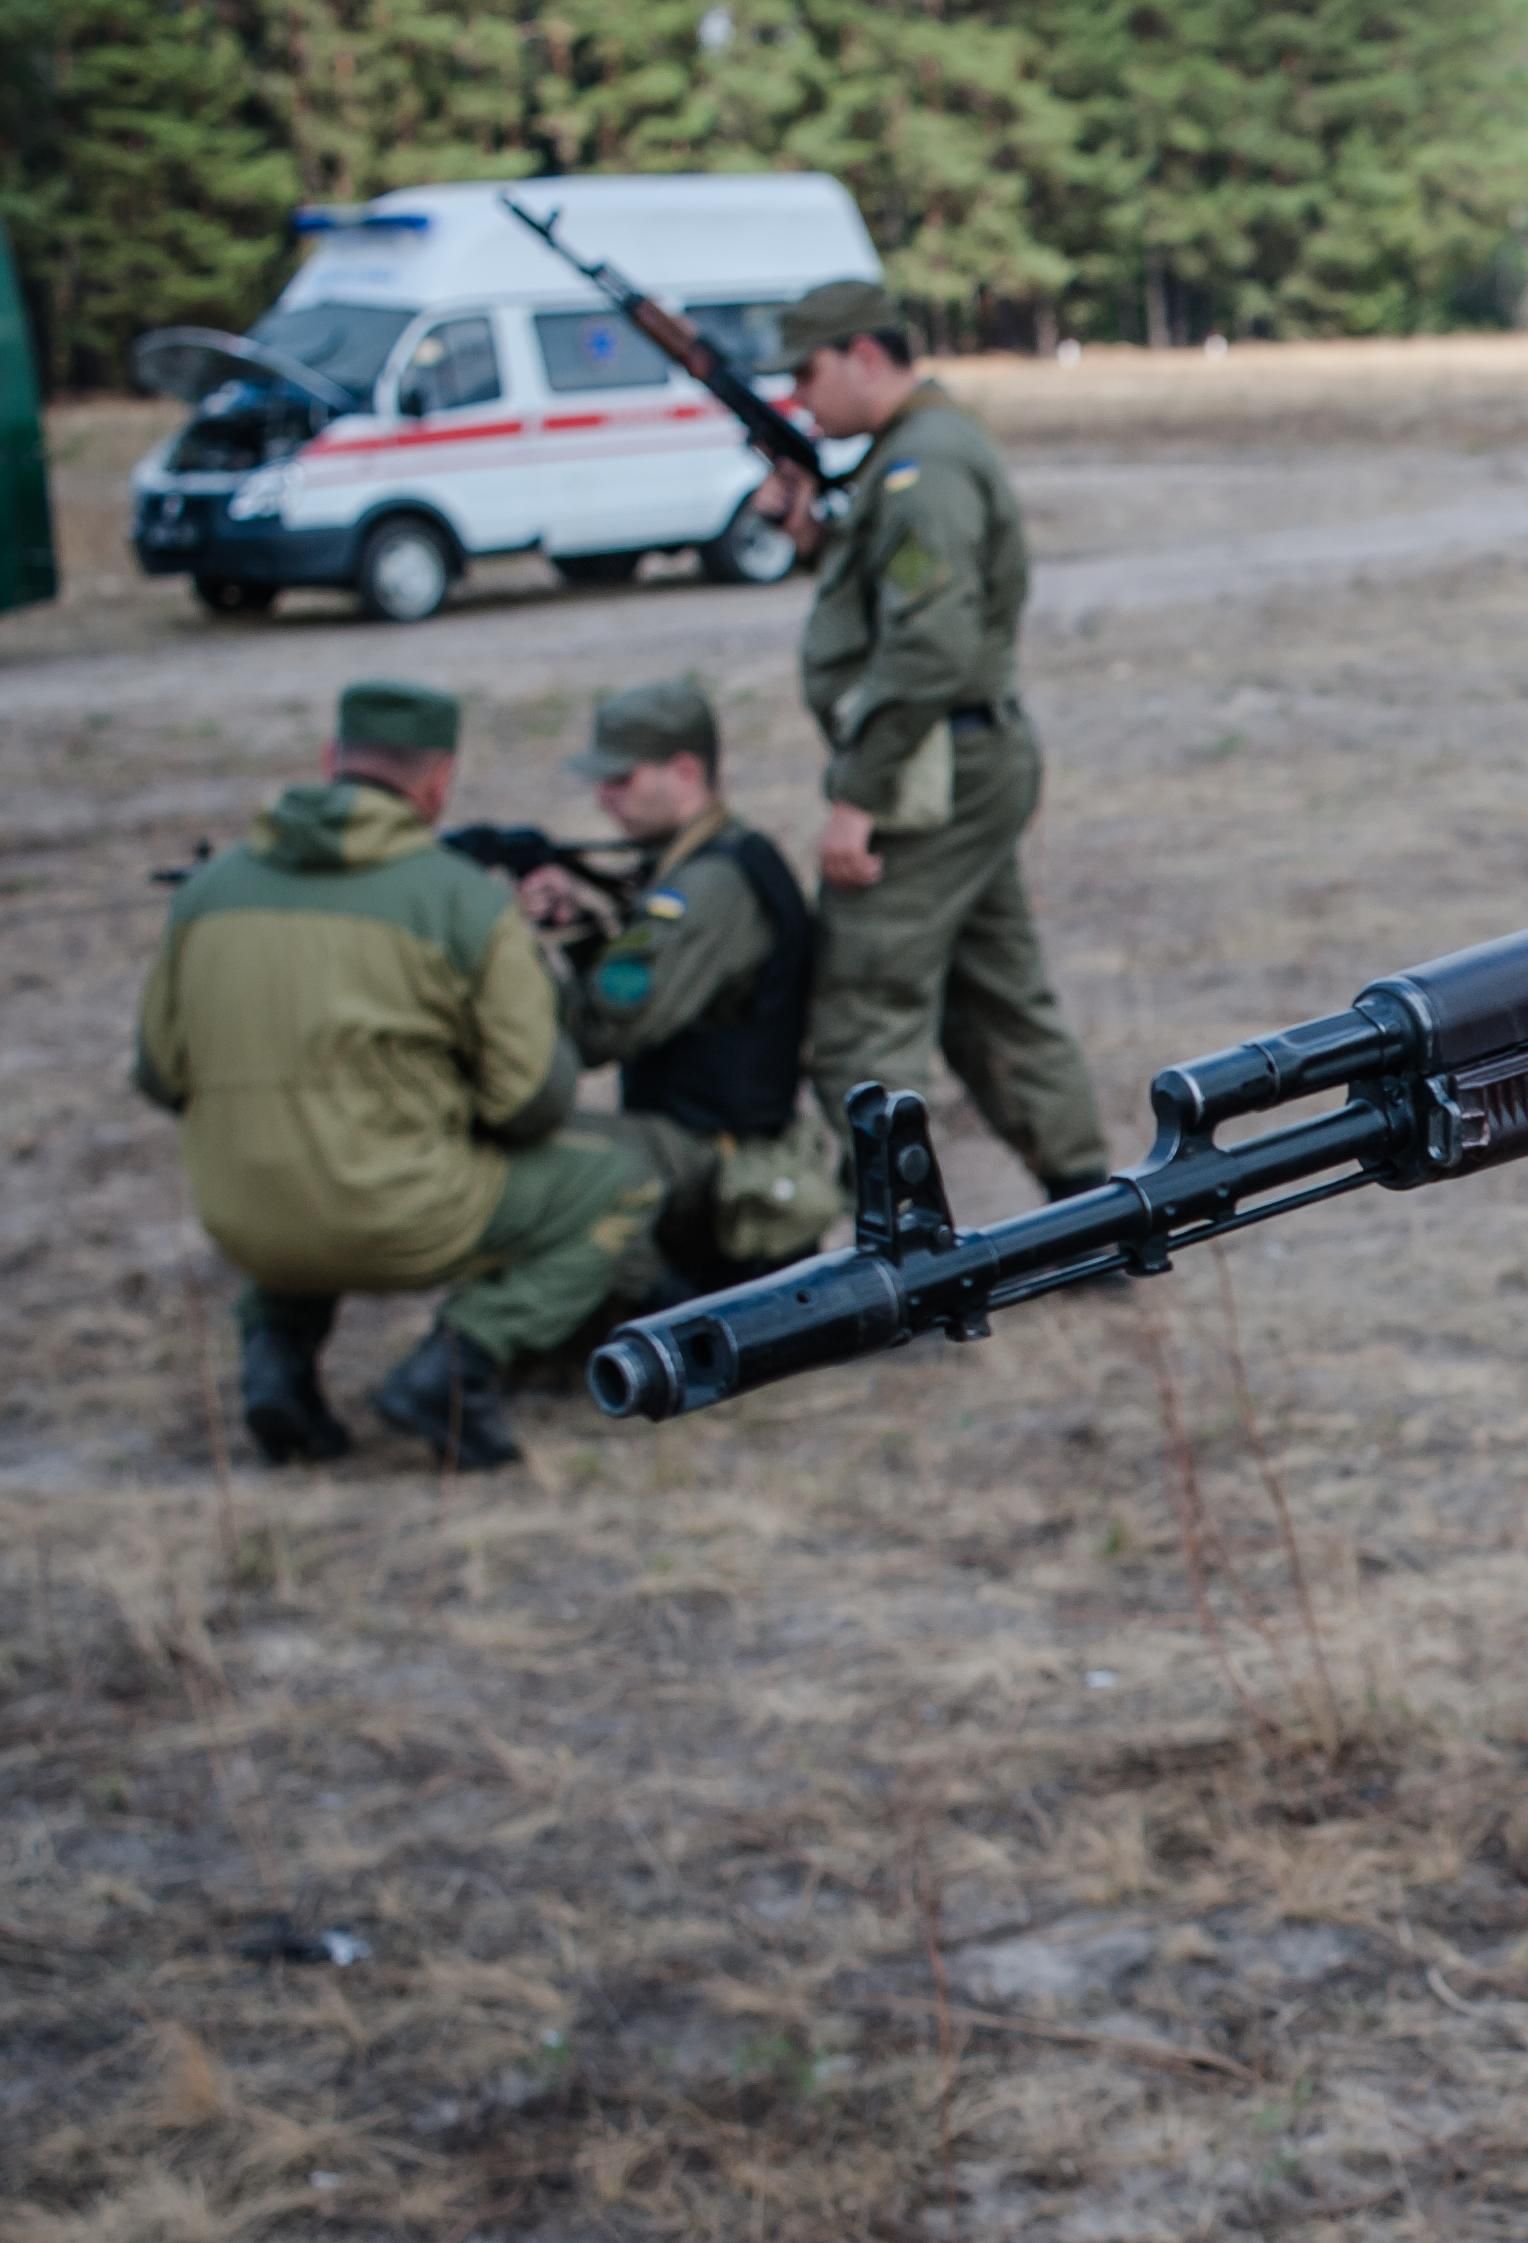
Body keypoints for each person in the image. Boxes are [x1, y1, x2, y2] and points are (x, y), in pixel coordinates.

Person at [134, 680, 660, 1470]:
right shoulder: (459, 904)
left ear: (328, 761)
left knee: (302, 1158)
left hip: (245, 1216)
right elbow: (533, 1101)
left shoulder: (209, 894)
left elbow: (158, 1074)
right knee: (623, 1176)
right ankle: (457, 1363)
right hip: (396, 1213)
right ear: (439, 781)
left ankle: (276, 1365)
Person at [751, 278, 1109, 1197]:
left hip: (932, 769)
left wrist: (858, 798)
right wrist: (808, 535)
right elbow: (901, 597)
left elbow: (930, 641)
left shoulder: (925, 468)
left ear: (864, 356)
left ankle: (902, 1256)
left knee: (864, 1010)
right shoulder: (909, 455)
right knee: (998, 1003)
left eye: (808, 370)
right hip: (962, 760)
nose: (798, 396)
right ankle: (1095, 1209)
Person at [523, 678, 829, 1305]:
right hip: (696, 1140)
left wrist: (533, 954)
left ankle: (672, 1312)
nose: (605, 799)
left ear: (685, 772)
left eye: (621, 780)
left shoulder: (705, 888)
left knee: (535, 1160)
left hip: (716, 1157)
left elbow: (601, 1033)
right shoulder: (701, 862)